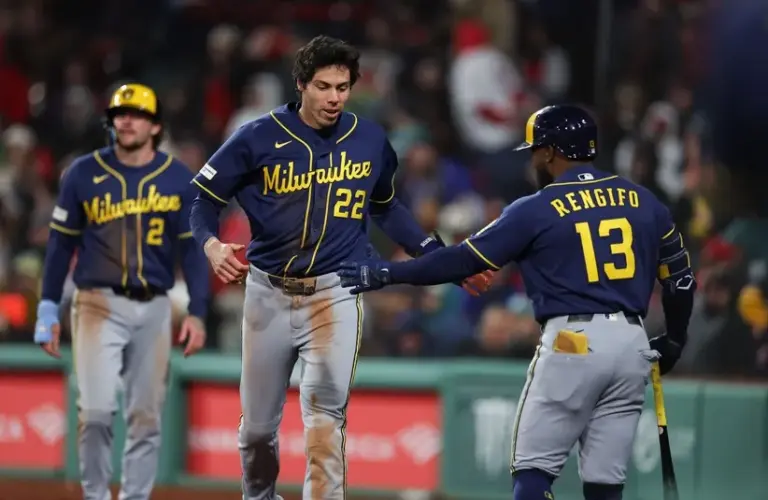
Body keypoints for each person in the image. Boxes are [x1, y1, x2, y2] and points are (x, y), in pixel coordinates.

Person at [337, 105, 697, 500]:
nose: (532, 158)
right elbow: (680, 281)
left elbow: (461, 259)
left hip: (572, 342)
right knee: (605, 487)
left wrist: (388, 274)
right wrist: (675, 339)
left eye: (534, 150)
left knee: (532, 474)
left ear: (549, 152)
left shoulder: (537, 207)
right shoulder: (645, 202)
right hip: (633, 344)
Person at [188, 35, 492, 500]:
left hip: (335, 291)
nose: (335, 97)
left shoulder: (369, 138)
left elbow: (389, 210)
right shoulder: (257, 136)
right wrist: (210, 245)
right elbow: (202, 202)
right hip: (267, 293)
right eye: (325, 86)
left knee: (324, 422)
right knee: (256, 434)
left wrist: (446, 261)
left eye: (343, 87)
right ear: (301, 84)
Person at [33, 83, 209, 500]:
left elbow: (194, 252)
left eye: (137, 114)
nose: (126, 120)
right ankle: (95, 495)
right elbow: (60, 245)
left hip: (154, 308)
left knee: (146, 418)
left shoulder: (178, 177)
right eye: (120, 113)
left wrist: (199, 311)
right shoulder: (82, 173)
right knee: (94, 413)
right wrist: (46, 307)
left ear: (155, 126)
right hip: (97, 303)